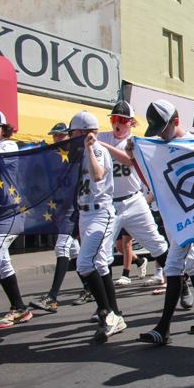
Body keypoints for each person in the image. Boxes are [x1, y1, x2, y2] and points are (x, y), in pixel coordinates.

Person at [133, 100, 194, 345]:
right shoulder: (160, 146)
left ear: (176, 122)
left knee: (172, 266)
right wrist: (134, 155)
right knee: (192, 264)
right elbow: (150, 179)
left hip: (190, 217)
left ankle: (164, 327)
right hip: (174, 217)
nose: (160, 134)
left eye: (163, 128)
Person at [97, 101, 169, 290]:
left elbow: (129, 161)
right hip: (109, 203)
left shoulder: (134, 142)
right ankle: (105, 303)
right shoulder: (102, 136)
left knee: (157, 244)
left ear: (131, 123)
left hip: (134, 200)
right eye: (114, 119)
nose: (117, 124)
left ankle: (180, 282)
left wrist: (102, 145)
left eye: (122, 120)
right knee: (101, 252)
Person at [68, 111, 127, 342]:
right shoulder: (76, 152)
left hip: (101, 213)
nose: (72, 136)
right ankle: (116, 314)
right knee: (100, 264)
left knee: (84, 263)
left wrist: (91, 148)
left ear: (83, 132)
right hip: (84, 214)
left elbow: (98, 174)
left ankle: (105, 312)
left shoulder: (98, 150)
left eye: (74, 133)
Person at [29, 123, 93, 313]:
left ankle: (52, 297)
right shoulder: (54, 156)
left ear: (69, 136)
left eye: (60, 136)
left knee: (62, 247)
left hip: (74, 207)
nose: (56, 139)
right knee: (74, 251)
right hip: (60, 207)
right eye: (54, 136)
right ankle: (90, 288)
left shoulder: (78, 154)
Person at [0, 108, 33, 329]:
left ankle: (19, 308)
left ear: (3, 129)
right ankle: (19, 307)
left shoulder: (8, 145)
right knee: (1, 261)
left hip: (10, 213)